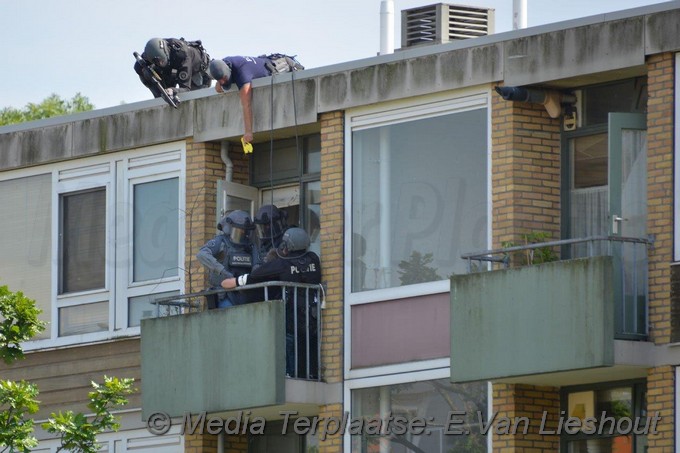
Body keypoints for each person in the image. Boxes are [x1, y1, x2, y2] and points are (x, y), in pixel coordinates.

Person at [222, 227, 321, 377]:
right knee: (309, 344)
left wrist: (235, 281)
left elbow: (257, 275)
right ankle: (310, 373)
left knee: (290, 343)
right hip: (312, 316)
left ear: (288, 246)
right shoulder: (313, 259)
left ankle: (292, 374)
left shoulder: (283, 265)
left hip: (292, 316)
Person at [208, 54, 304, 146]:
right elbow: (219, 78)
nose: (223, 82)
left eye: (224, 78)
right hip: (262, 62)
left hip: (277, 67)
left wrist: (248, 132)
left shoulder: (243, 73)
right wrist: (219, 82)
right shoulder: (224, 63)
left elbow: (246, 104)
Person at [196, 210, 255, 308]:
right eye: (240, 230)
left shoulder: (250, 246)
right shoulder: (221, 242)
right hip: (224, 294)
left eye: (245, 230)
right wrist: (222, 271)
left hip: (245, 294)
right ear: (230, 228)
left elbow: (258, 266)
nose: (243, 233)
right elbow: (201, 254)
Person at [134, 37, 211, 101]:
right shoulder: (149, 54)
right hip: (172, 69)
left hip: (196, 73)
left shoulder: (182, 55)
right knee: (145, 72)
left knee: (192, 100)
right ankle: (159, 97)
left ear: (166, 52)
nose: (161, 63)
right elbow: (137, 67)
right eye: (157, 62)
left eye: (162, 60)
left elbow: (185, 88)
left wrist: (172, 90)